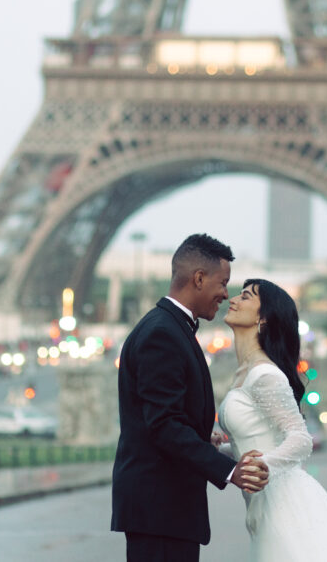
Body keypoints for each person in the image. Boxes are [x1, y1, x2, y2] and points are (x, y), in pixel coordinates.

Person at [111, 233, 270, 562]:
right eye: (223, 283)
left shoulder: (168, 328)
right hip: (160, 512)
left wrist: (201, 438)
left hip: (162, 512)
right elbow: (165, 425)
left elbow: (164, 418)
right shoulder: (162, 335)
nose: (226, 294)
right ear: (199, 279)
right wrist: (229, 470)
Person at [216, 278, 327, 561]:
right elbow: (256, 440)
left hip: (283, 500)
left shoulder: (265, 374)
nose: (233, 299)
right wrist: (220, 450)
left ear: (263, 317)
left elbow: (300, 438)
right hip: (262, 501)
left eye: (246, 297)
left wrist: (261, 467)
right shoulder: (243, 373)